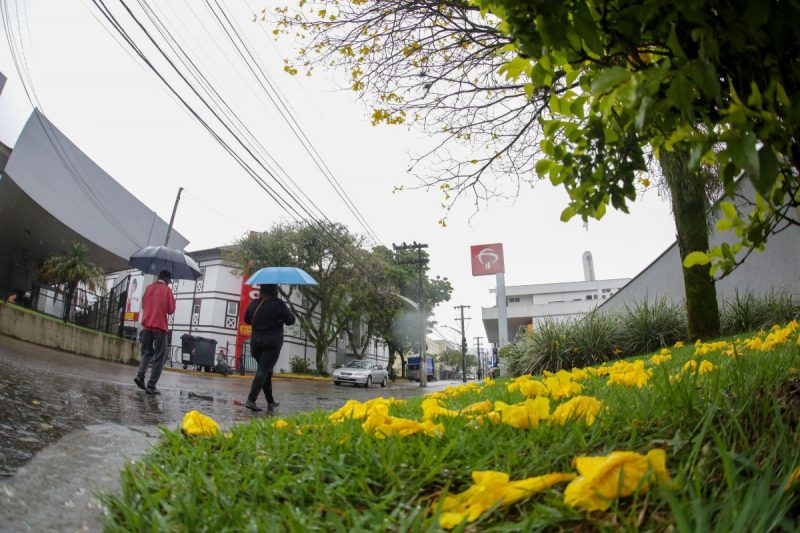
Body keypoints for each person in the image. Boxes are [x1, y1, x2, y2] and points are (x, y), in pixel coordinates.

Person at [244, 284, 295, 412]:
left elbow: (247, 320)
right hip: (272, 343)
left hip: (256, 343)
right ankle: (251, 400)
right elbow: (291, 321)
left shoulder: (254, 303)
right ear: (275, 292)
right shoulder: (278, 304)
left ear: (261, 291)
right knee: (263, 371)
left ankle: (270, 402)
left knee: (266, 371)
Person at [134, 270, 176, 395]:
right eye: (170, 281)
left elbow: (144, 305)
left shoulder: (149, 288)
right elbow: (171, 310)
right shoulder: (167, 291)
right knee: (159, 356)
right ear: (167, 280)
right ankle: (151, 385)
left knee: (147, 352)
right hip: (159, 327)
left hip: (147, 326)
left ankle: (140, 376)